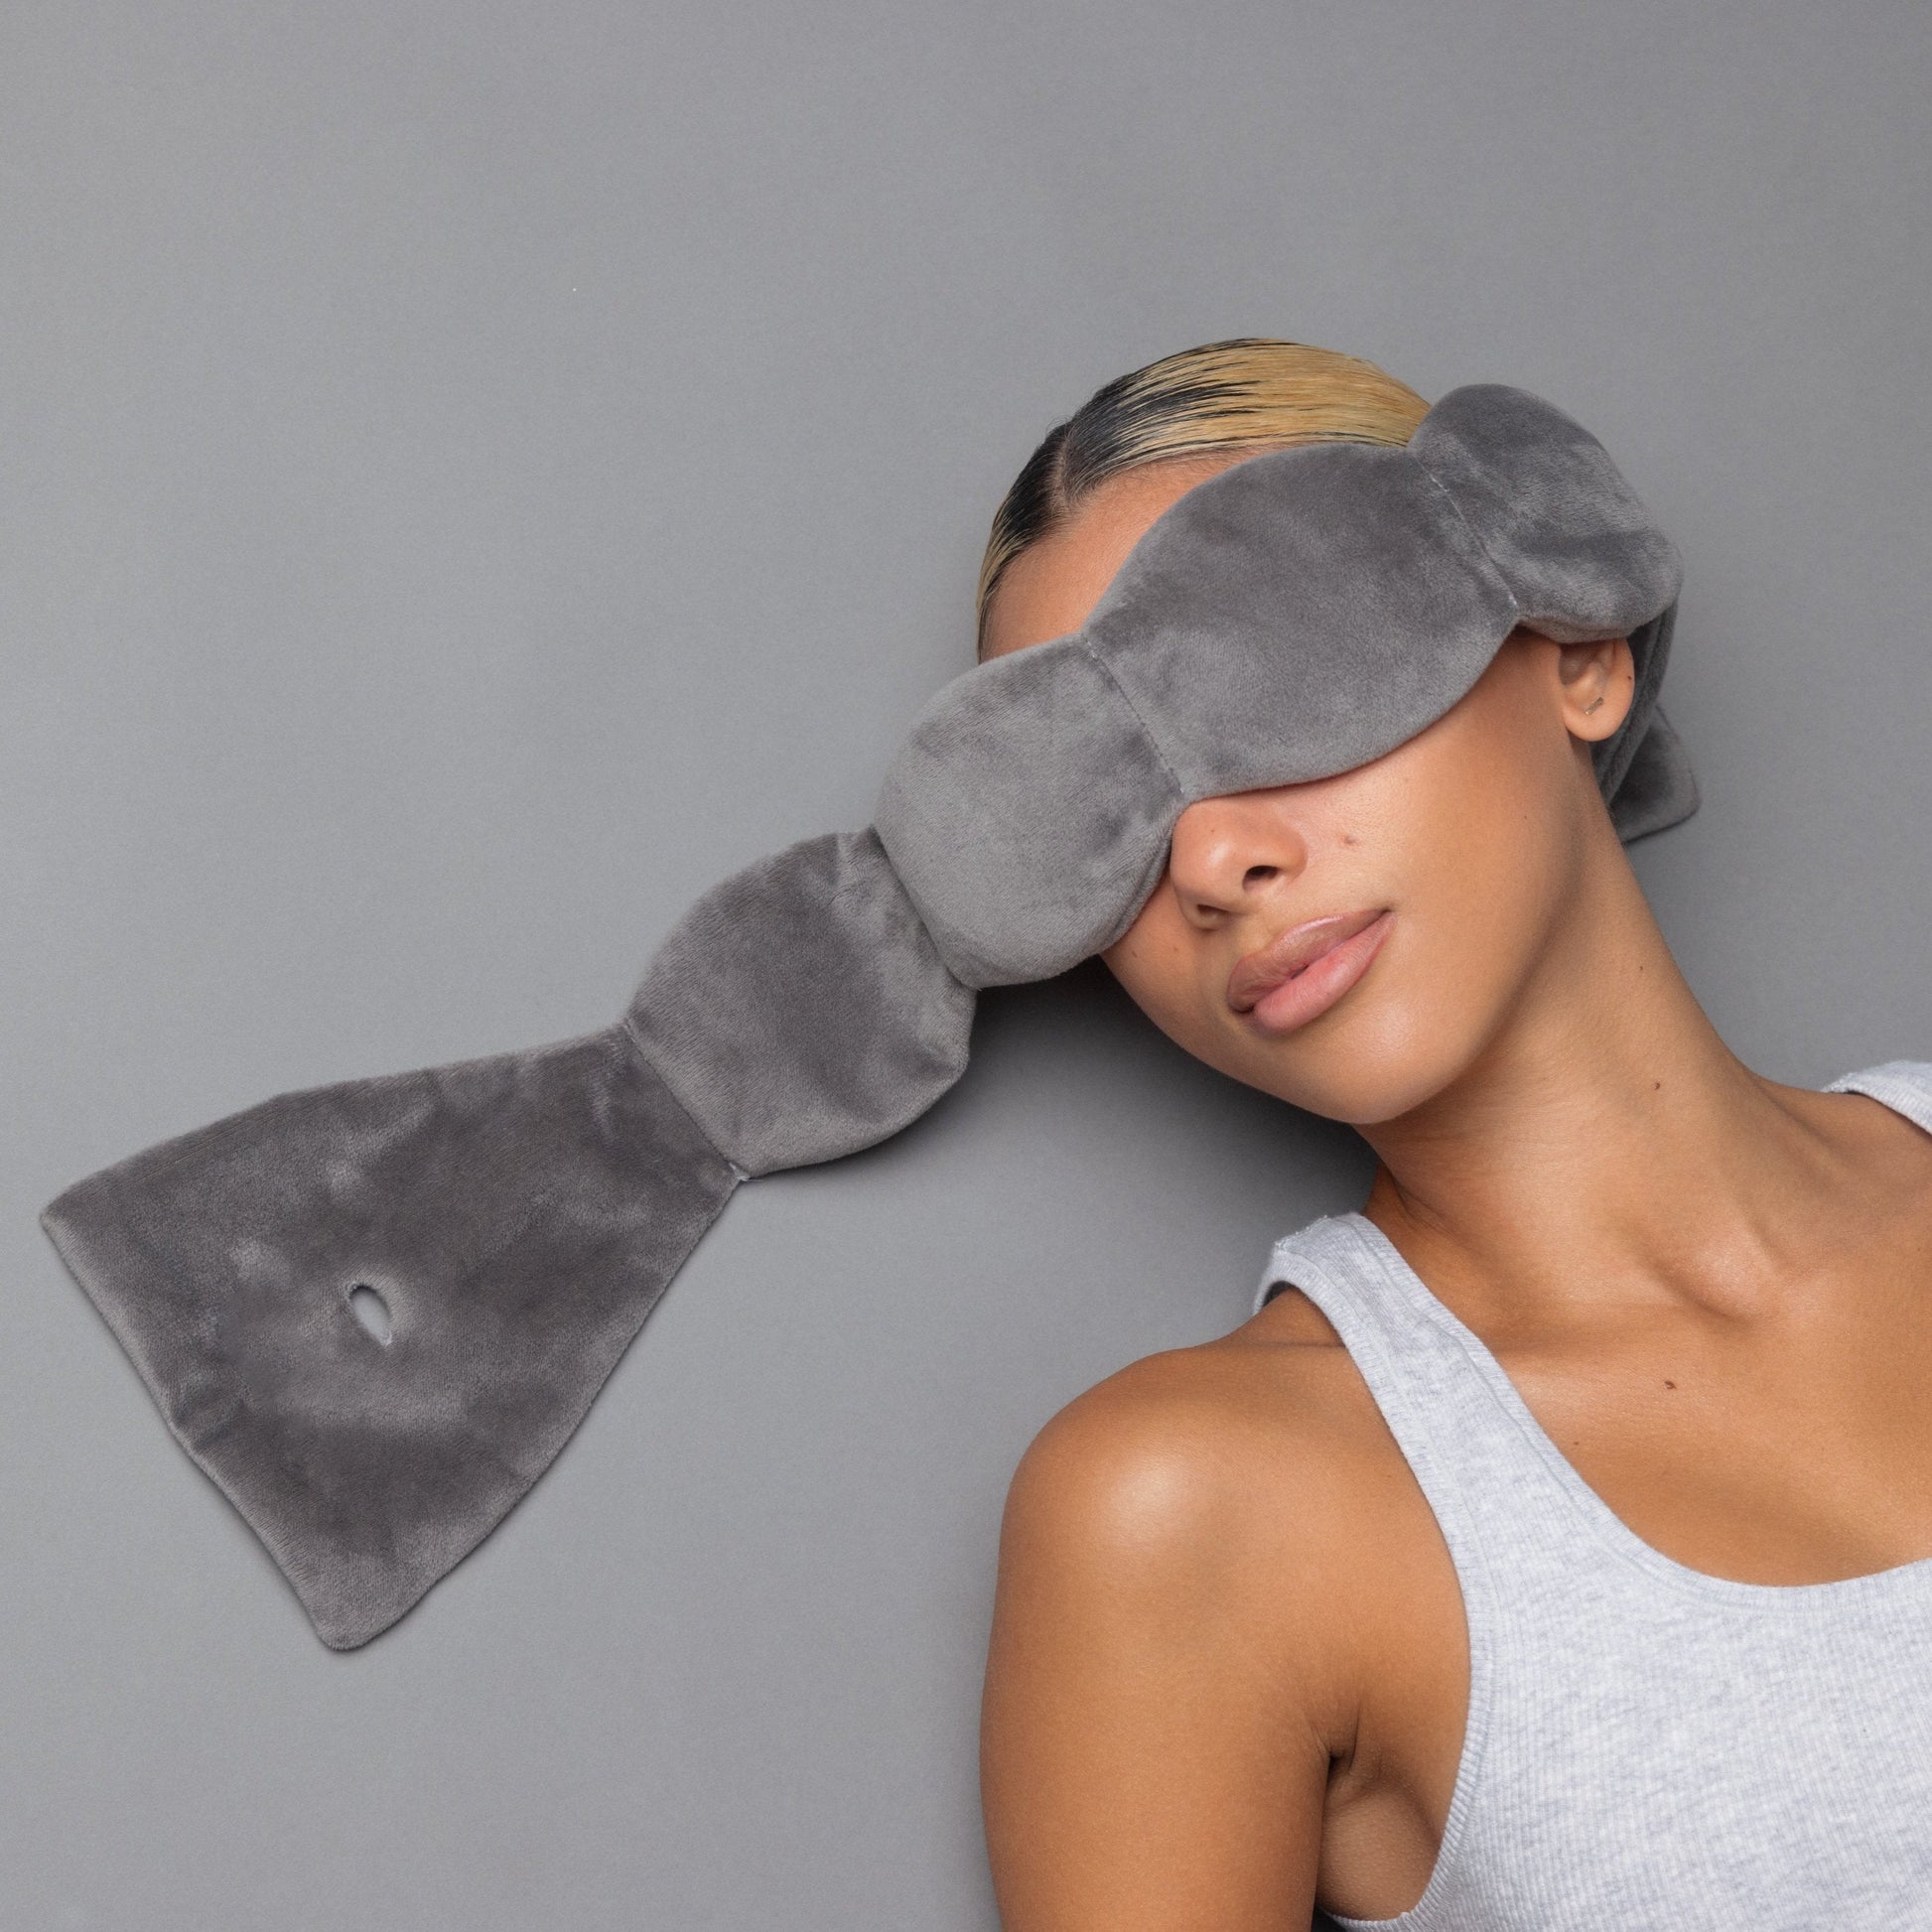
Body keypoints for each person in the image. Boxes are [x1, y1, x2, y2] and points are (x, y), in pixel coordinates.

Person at [974, 341, 1932, 1928]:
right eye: (1099, 810)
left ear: (1574, 649)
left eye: (1269, 678)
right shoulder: (1194, 1506)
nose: (1209, 860)